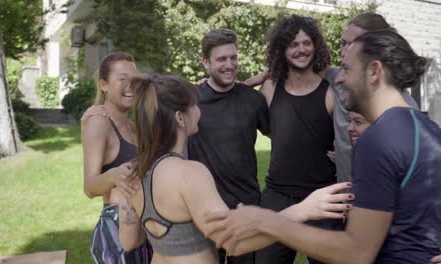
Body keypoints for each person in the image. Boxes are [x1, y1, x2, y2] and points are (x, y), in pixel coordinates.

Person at [204, 30, 441, 263]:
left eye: (347, 69)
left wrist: (270, 222)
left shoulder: (378, 139)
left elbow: (356, 252)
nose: (338, 79)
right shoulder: (427, 128)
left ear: (374, 71)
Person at [122, 73, 355, 264]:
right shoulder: (190, 174)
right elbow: (234, 242)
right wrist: (302, 210)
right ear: (180, 118)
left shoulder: (134, 172)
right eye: (195, 105)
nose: (199, 111)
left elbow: (129, 240)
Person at [255, 15, 336, 264]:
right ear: (282, 49)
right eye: (293, 44)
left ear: (316, 45)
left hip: (323, 199)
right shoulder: (269, 88)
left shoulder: (331, 90)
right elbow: (268, 129)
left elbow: (354, 134)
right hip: (277, 197)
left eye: (306, 42)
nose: (301, 49)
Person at [188, 28, 269, 264]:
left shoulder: (252, 99)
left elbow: (282, 137)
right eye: (221, 59)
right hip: (203, 210)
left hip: (245, 209)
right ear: (205, 62)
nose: (230, 64)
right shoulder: (190, 100)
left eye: (233, 57)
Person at [325, 12, 419, 183]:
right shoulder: (340, 79)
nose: (345, 51)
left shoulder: (405, 111)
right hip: (345, 200)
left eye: (353, 44)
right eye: (343, 43)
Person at [81, 52, 152, 263]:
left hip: (145, 230)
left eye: (134, 79)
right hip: (119, 235)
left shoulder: (135, 126)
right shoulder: (99, 123)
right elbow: (89, 188)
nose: (131, 85)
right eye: (122, 79)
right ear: (104, 85)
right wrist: (113, 175)